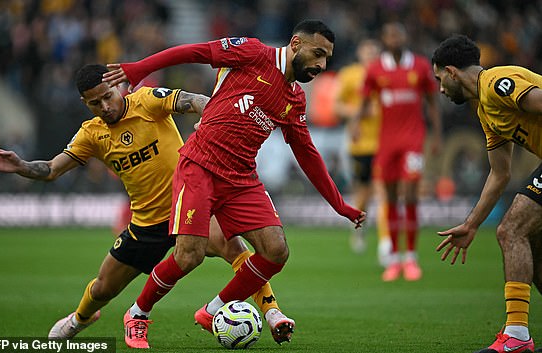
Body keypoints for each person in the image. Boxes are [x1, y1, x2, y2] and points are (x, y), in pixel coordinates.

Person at [0, 64, 294, 348]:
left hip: (190, 204)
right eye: (95, 103)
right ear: (85, 103)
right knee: (103, 288)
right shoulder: (92, 134)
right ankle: (79, 319)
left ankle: (272, 314)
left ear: (117, 86)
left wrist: (211, 116)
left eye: (107, 96)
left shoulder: (147, 101)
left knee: (237, 252)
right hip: (147, 223)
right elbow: (51, 169)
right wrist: (22, 166)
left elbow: (192, 99)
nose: (105, 106)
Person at [104, 19, 366, 348]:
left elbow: (308, 154)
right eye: (317, 54)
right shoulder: (253, 53)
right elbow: (195, 51)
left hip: (241, 178)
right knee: (189, 256)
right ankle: (138, 314)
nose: (321, 65)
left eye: (327, 58)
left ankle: (213, 311)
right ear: (296, 45)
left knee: (276, 251)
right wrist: (138, 69)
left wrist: (339, 205)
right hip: (200, 165)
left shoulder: (295, 99)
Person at [433, 34, 542, 353]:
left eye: (440, 79)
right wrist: (471, 224)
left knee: (511, 231)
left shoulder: (497, 83)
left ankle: (517, 336)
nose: (440, 89)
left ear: (452, 72)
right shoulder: (485, 109)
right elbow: (500, 172)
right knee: (531, 242)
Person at [354, 22, 442, 281]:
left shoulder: (420, 66)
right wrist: (357, 125)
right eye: (389, 34)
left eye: (398, 34)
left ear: (405, 37)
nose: (394, 38)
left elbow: (433, 103)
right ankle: (393, 260)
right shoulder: (375, 69)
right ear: (384, 39)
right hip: (386, 143)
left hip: (413, 141)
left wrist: (436, 136)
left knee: (412, 195)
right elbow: (364, 100)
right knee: (390, 198)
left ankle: (411, 258)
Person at [335, 38, 392, 264]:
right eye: (366, 51)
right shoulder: (349, 75)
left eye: (373, 52)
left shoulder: (385, 75)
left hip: (385, 144)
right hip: (359, 145)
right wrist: (358, 112)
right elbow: (336, 107)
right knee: (363, 195)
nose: (370, 55)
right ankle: (359, 227)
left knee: (383, 192)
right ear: (359, 53)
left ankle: (386, 242)